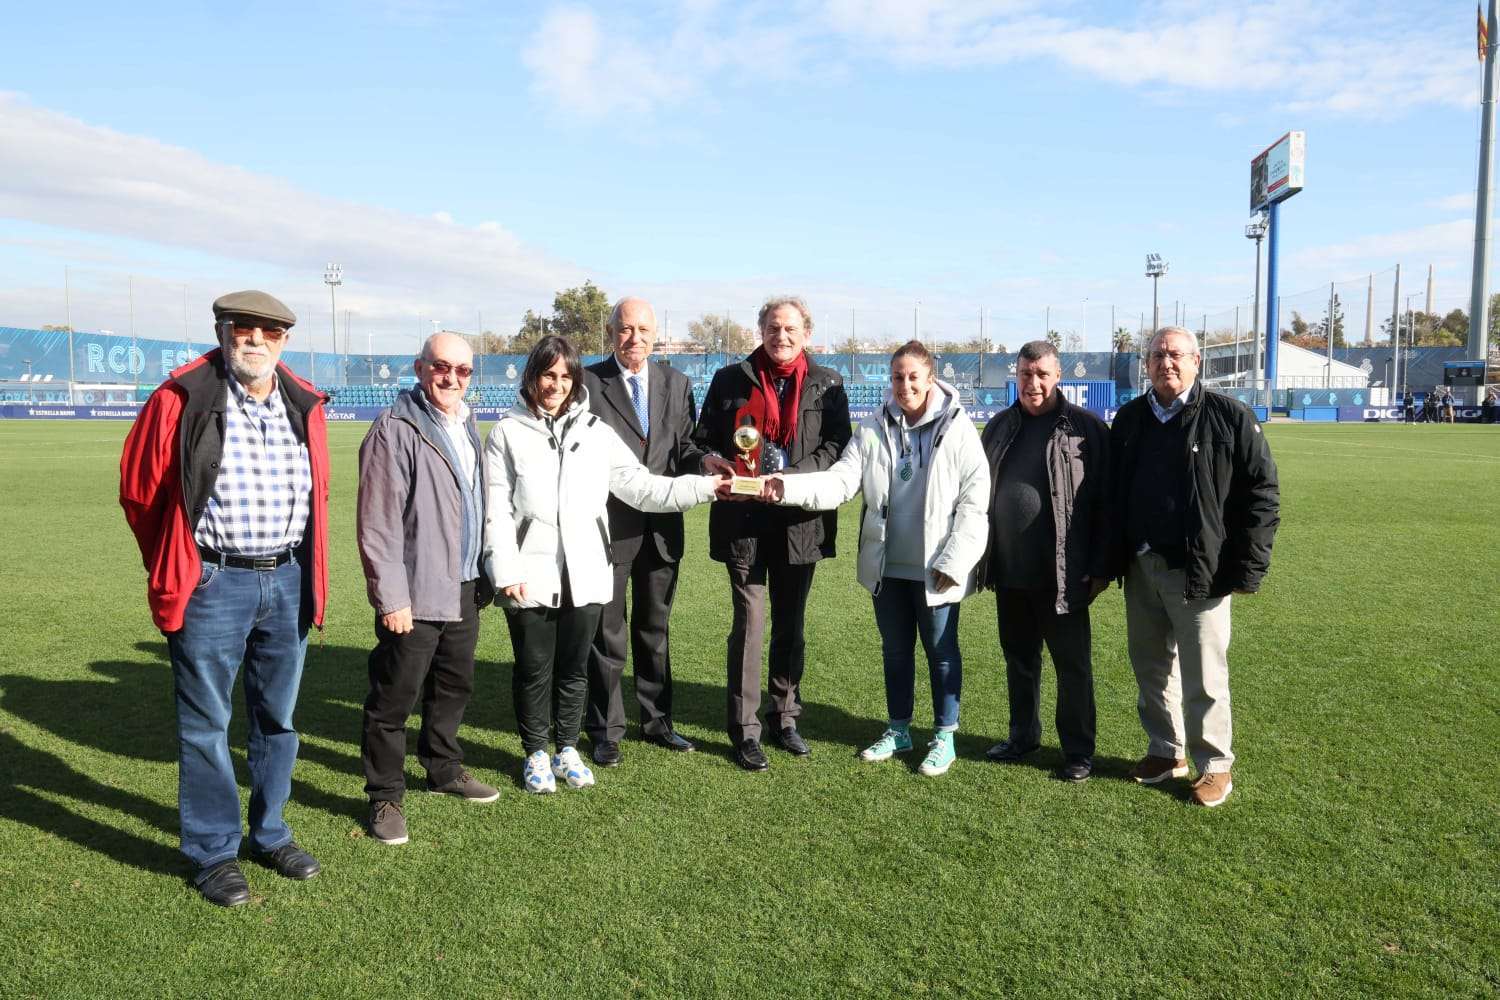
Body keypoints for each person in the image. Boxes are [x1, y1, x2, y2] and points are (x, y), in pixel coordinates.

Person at [119, 290, 328, 906]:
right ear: (223, 330)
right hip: (212, 580)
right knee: (208, 725)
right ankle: (214, 852)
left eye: (270, 331)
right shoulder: (181, 396)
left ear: (284, 339)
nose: (256, 340)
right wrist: (179, 565)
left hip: (287, 577)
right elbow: (140, 492)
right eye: (244, 329)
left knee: (279, 721)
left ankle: (270, 832)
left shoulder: (301, 400)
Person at [482, 335, 723, 794]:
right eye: (547, 375)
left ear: (575, 381)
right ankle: (535, 752)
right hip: (529, 574)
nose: (555, 385)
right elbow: (496, 509)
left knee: (575, 668)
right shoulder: (507, 433)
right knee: (534, 669)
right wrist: (505, 570)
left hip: (589, 571)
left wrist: (708, 488)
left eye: (565, 376)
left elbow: (644, 488)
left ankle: (567, 748)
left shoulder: (595, 431)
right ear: (533, 376)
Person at [764, 341, 989, 776]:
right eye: (897, 377)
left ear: (930, 379)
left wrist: (955, 561)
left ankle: (944, 736)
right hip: (888, 566)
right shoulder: (871, 428)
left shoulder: (958, 427)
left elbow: (975, 501)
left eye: (912, 377)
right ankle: (899, 729)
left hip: (937, 568)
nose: (904, 385)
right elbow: (839, 483)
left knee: (942, 654)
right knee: (895, 652)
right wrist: (784, 487)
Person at [1108, 327, 1280, 808]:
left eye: (1177, 354)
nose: (1168, 362)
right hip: (1142, 563)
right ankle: (1166, 752)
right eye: (1158, 354)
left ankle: (1215, 766)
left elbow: (1262, 495)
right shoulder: (1131, 418)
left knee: (1204, 673)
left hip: (1200, 569)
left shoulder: (1229, 416)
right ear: (1147, 364)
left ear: (1197, 362)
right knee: (1151, 666)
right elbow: (1112, 494)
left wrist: (1249, 569)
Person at [692, 297, 852, 771]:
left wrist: (790, 481)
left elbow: (835, 445)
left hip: (799, 520)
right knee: (750, 623)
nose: (780, 336)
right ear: (759, 329)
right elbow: (702, 440)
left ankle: (785, 717)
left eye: (790, 328)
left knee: (790, 624)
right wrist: (708, 460)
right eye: (772, 327)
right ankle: (744, 730)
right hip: (744, 520)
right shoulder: (729, 380)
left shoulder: (828, 384)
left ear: (807, 334)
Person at [357, 333, 498, 847]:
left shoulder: (466, 422)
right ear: (419, 368)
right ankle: (384, 795)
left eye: (463, 370)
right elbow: (378, 523)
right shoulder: (394, 429)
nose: (452, 378)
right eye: (441, 367)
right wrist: (391, 598)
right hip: (414, 593)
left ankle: (443, 767)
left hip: (462, 586)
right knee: (393, 699)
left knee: (452, 688)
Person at [582, 298, 729, 767]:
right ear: (611, 333)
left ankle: (658, 720)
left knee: (654, 628)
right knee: (607, 632)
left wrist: (703, 462)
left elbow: (683, 447)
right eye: (626, 329)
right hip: (608, 526)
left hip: (662, 528)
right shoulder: (587, 382)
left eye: (643, 329)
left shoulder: (675, 382)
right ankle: (605, 729)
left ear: (656, 333)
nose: (635, 338)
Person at [977, 340, 1110, 782]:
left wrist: (1101, 565)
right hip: (1011, 572)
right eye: (1025, 375)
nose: (1033, 383)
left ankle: (1077, 751)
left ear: (1058, 376)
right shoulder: (997, 427)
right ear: (1016, 376)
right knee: (1019, 659)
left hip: (1064, 574)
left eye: (1041, 375)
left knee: (1072, 666)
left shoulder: (1086, 428)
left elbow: (1108, 504)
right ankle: (1022, 735)